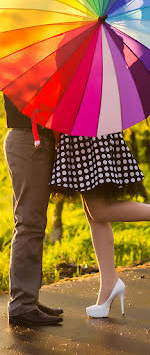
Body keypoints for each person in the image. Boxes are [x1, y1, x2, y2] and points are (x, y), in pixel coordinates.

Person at [49, 132, 150, 318]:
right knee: (93, 213)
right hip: (86, 136)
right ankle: (108, 284)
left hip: (85, 136)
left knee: (98, 210)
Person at [3, 95, 63, 326]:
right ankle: (22, 304)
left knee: (35, 222)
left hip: (36, 139)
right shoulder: (22, 62)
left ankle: (28, 297)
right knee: (29, 222)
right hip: (28, 140)